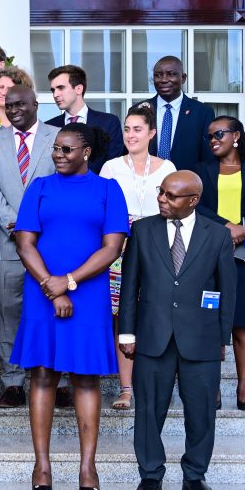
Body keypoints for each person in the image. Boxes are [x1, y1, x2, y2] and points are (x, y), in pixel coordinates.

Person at [12, 124, 128, 490]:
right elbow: (25, 242)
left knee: (86, 379)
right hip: (42, 291)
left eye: (66, 149)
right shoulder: (40, 187)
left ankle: (87, 466)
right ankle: (42, 464)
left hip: (88, 295)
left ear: (87, 152)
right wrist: (52, 284)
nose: (58, 154)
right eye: (56, 149)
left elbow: (112, 248)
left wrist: (70, 282)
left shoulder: (108, 190)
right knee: (43, 375)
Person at [120, 171, 237, 490]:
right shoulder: (143, 230)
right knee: (148, 412)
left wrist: (222, 338)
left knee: (201, 413)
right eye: (161, 192)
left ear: (193, 200)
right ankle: (151, 476)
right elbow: (130, 286)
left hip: (200, 338)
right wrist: (127, 332)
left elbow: (228, 290)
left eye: (171, 195)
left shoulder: (217, 236)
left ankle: (195, 477)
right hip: (152, 337)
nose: (162, 199)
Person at [0, 82, 60, 408]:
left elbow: (63, 183)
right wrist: (14, 222)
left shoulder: (57, 137)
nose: (14, 110)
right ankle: (13, 381)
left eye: (20, 104)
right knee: (10, 312)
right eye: (8, 105)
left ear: (35, 104)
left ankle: (61, 379)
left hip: (51, 242)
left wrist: (37, 224)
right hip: (8, 240)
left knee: (55, 309)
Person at [99, 103, 176, 410]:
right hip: (120, 252)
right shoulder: (111, 167)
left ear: (152, 133)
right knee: (123, 317)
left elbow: (175, 209)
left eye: (138, 129)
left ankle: (155, 385)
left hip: (159, 249)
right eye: (127, 129)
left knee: (156, 315)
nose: (131, 135)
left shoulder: (168, 168)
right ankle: (126, 388)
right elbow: (102, 210)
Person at [195, 116, 245, 412]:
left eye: (219, 134)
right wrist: (227, 227)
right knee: (213, 321)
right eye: (210, 136)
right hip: (210, 254)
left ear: (236, 136)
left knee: (244, 322)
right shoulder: (202, 171)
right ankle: (213, 386)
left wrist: (243, 227)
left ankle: (244, 385)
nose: (213, 139)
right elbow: (198, 206)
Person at [45, 64, 124, 174]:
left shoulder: (109, 122)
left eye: (61, 88)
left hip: (98, 189)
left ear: (79, 89)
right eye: (53, 90)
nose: (55, 94)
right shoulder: (49, 126)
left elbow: (115, 166)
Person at [148, 56, 215, 172]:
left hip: (187, 184)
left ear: (183, 78)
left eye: (171, 74)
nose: (163, 79)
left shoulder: (202, 113)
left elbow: (208, 158)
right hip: (146, 184)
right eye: (158, 75)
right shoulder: (140, 110)